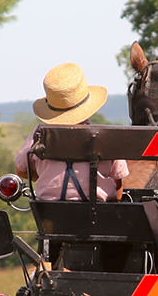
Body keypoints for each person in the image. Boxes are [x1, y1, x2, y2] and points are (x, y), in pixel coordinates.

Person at [15, 63, 128, 202]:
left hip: (50, 213)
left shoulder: (39, 135)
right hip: (100, 213)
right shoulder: (106, 137)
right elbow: (118, 184)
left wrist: (47, 178)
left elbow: (20, 170)